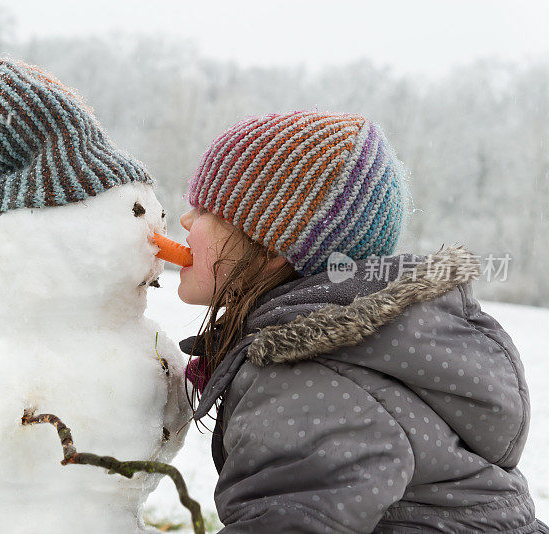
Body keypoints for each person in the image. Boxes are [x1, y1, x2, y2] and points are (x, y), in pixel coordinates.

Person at [176, 110, 547, 532]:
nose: (186, 220)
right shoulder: (360, 353)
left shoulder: (306, 378)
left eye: (207, 210)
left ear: (273, 245)